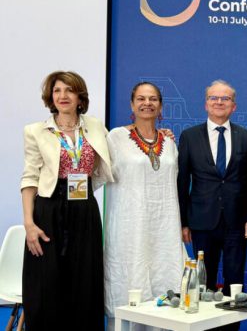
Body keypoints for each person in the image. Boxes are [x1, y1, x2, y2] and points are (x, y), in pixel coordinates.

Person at [21, 71, 113, 331]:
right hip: (48, 209)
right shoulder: (35, 131)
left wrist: (158, 133)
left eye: (69, 90)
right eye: (57, 90)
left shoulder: (95, 126)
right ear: (50, 97)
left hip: (84, 208)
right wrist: (29, 223)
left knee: (84, 279)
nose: (63, 96)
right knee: (47, 281)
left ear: (79, 96)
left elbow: (120, 142)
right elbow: (29, 178)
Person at [104, 82, 184, 326]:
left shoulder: (169, 142)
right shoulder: (115, 138)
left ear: (160, 106)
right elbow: (97, 174)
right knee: (131, 282)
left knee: (165, 281)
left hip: (164, 231)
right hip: (130, 229)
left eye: (153, 99)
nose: (147, 103)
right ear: (132, 104)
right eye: (141, 98)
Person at [177, 80, 247, 305]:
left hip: (236, 222)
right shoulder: (190, 136)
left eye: (225, 98)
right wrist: (183, 223)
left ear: (234, 106)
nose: (219, 102)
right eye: (214, 98)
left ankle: (233, 323)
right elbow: (182, 183)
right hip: (202, 222)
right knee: (204, 284)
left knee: (235, 284)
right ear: (206, 104)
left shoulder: (246, 137)